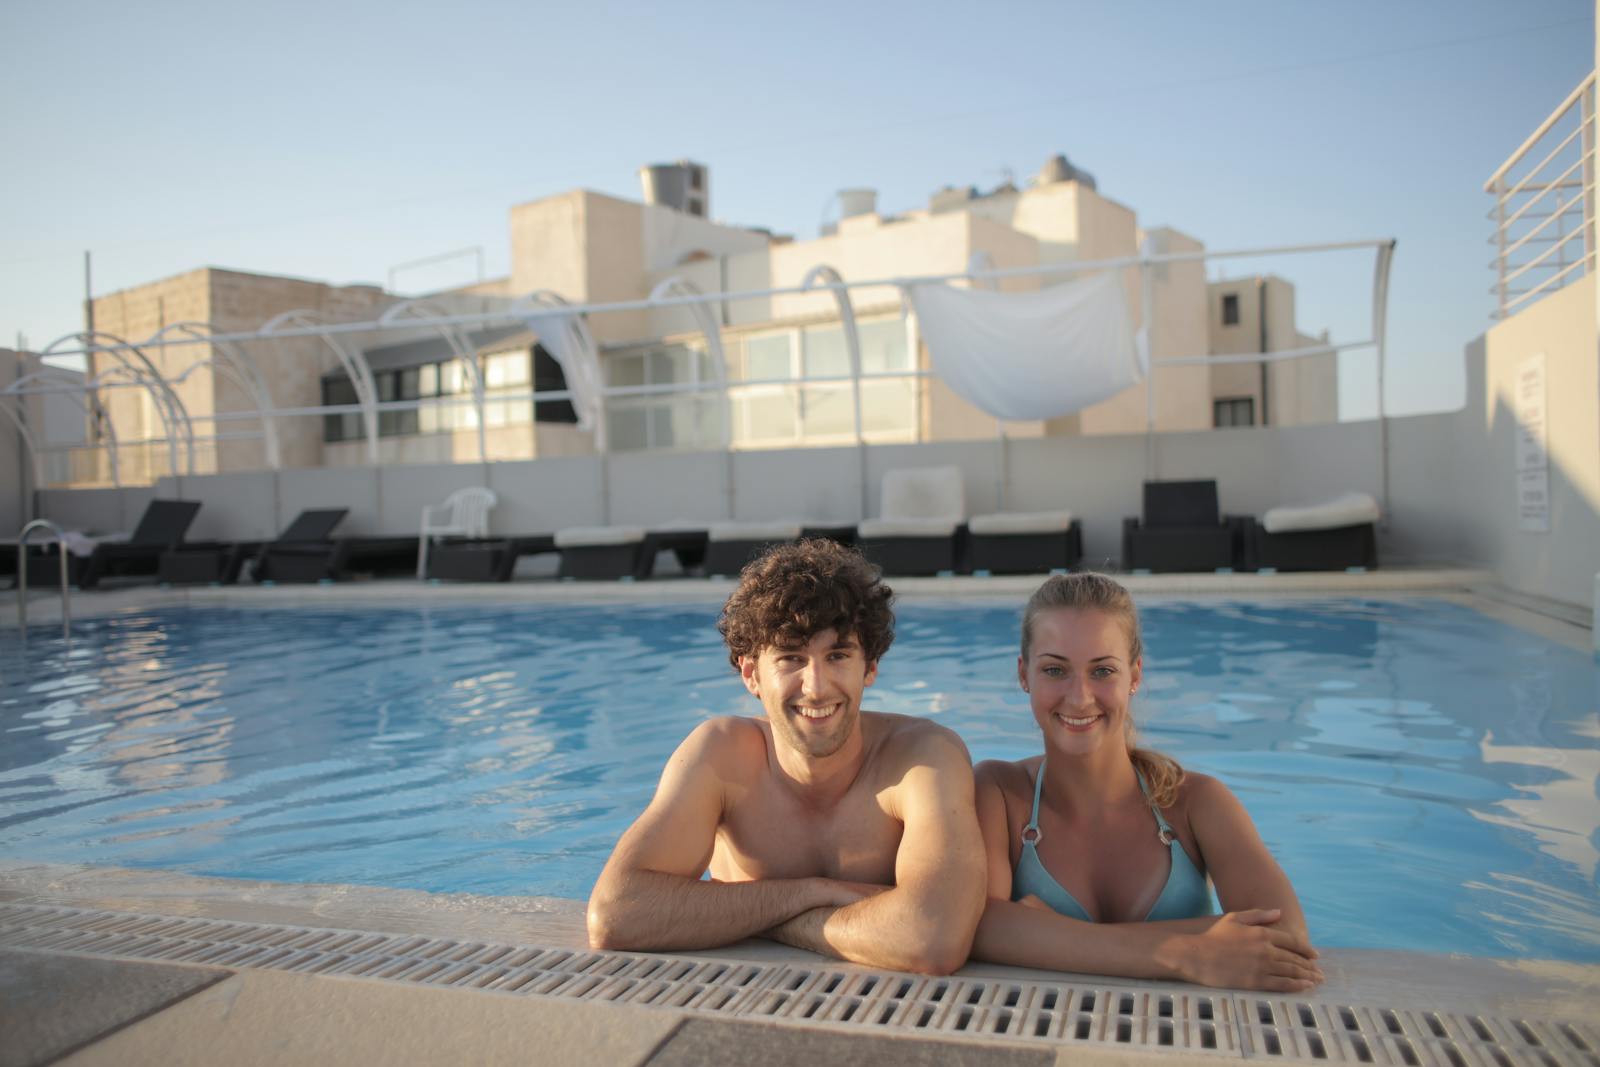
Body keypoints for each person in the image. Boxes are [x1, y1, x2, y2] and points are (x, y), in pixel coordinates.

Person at [586, 539, 986, 975]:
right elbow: (614, 914)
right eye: (791, 658)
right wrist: (808, 893)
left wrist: (757, 917)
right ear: (751, 673)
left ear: (869, 666)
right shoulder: (722, 755)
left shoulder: (922, 758)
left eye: (837, 656)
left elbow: (933, 939)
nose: (816, 686)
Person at [971, 573, 1324, 992]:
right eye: (1054, 670)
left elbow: (1288, 941)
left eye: (1102, 670)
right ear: (1024, 674)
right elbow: (976, 926)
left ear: (1135, 675)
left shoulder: (1197, 803)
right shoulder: (999, 792)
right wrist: (1187, 953)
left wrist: (1041, 933)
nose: (1080, 696)